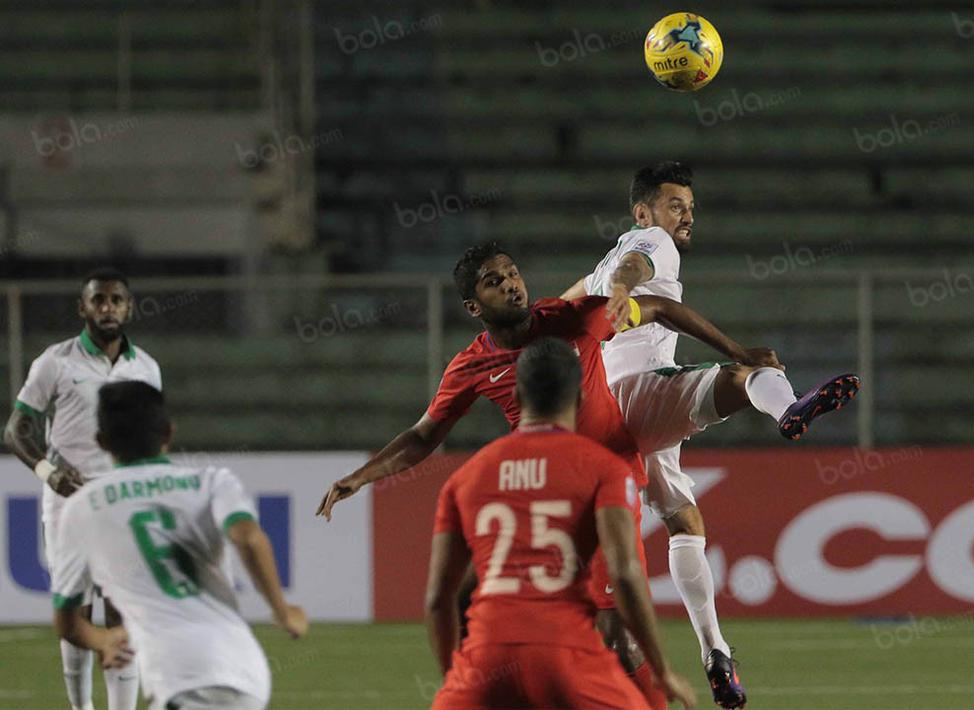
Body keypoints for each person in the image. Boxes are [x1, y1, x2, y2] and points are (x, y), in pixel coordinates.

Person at [318, 241, 773, 707]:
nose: (511, 285)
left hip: (601, 489)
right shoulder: (473, 365)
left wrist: (736, 351)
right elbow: (423, 434)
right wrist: (362, 475)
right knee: (513, 616)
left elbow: (657, 307)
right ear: (474, 306)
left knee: (610, 634)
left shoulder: (569, 318)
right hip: (542, 491)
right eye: (494, 282)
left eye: (512, 274)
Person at [561, 161, 858, 707]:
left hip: (603, 418)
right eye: (677, 206)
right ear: (644, 211)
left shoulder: (597, 267)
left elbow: (561, 306)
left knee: (681, 518)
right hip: (643, 393)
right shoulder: (651, 241)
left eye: (691, 209)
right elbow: (636, 264)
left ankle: (715, 651)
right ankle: (786, 408)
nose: (687, 218)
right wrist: (626, 290)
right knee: (750, 372)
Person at [425, 338, 695, 709]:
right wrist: (662, 670)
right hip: (568, 654)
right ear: (581, 400)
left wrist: (456, 677)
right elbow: (625, 573)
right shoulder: (605, 469)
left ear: (518, 398)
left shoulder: (466, 477)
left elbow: (441, 598)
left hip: (487, 655)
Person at [51, 381, 308, 710]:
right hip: (244, 666)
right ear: (169, 434)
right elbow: (247, 537)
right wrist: (281, 610)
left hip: (183, 676)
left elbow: (67, 622)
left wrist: (102, 640)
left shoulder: (82, 508)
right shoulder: (212, 481)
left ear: (101, 442)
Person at [4, 268, 161, 710]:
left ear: (129, 307)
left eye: (116, 300)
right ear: (83, 307)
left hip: (122, 503)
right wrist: (47, 472)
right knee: (75, 612)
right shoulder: (55, 362)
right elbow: (16, 429)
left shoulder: (146, 368)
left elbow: (150, 435)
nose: (107, 308)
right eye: (99, 300)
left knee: (120, 609)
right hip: (67, 502)